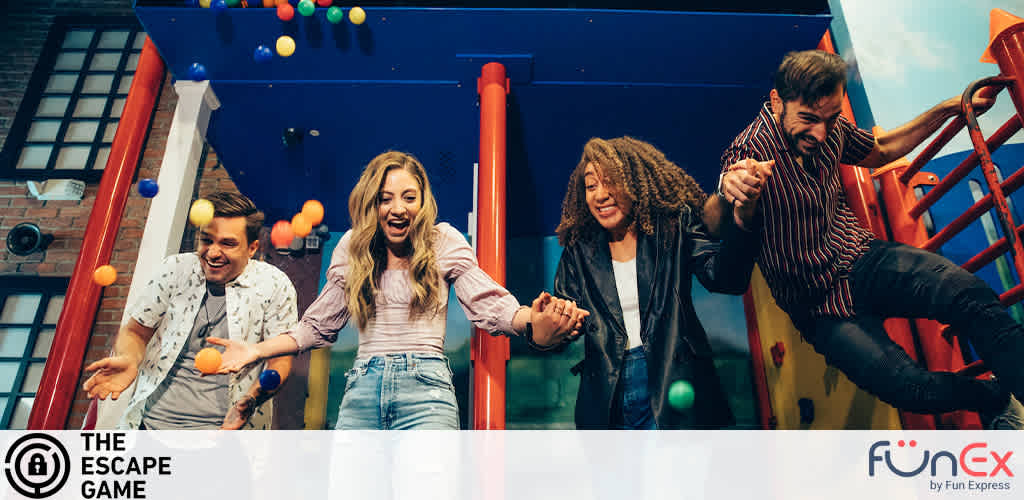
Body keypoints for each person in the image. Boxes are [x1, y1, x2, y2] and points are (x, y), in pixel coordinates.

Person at [706, 49, 1024, 429]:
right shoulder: (749, 149)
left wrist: (950, 108)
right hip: (818, 306)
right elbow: (714, 221)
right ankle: (993, 398)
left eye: (830, 118)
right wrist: (729, 189)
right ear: (777, 101)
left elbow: (882, 149)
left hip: (861, 257)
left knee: (969, 294)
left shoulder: (829, 126)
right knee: (912, 390)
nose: (820, 132)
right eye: (807, 119)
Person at [211, 151, 586, 429]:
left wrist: (535, 322)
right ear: (372, 202)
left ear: (422, 203)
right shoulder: (354, 247)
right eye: (386, 198)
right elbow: (315, 327)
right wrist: (256, 349)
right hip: (361, 392)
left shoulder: (443, 241)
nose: (398, 208)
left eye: (409, 197)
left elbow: (492, 306)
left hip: (427, 392)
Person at [530, 137, 769, 429]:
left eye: (611, 181)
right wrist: (542, 331)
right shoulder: (579, 251)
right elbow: (561, 326)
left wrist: (743, 219)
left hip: (674, 376)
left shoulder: (673, 225)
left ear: (633, 181)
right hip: (607, 394)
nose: (601, 195)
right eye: (591, 186)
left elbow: (726, 278)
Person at [83, 191, 297, 430]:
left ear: (252, 248)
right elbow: (135, 332)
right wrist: (129, 358)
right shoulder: (175, 269)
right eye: (207, 240)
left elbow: (280, 360)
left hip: (227, 434)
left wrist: (252, 399)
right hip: (149, 426)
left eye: (227, 243)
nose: (213, 253)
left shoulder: (275, 284)